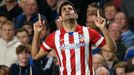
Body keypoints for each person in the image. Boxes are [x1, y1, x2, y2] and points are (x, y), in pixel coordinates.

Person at [31, 1, 116, 75]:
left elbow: (111, 49)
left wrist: (103, 28)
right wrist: (37, 33)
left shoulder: (88, 32)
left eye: (70, 9)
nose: (67, 10)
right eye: (64, 9)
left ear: (76, 15)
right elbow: (35, 56)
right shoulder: (54, 36)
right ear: (60, 19)